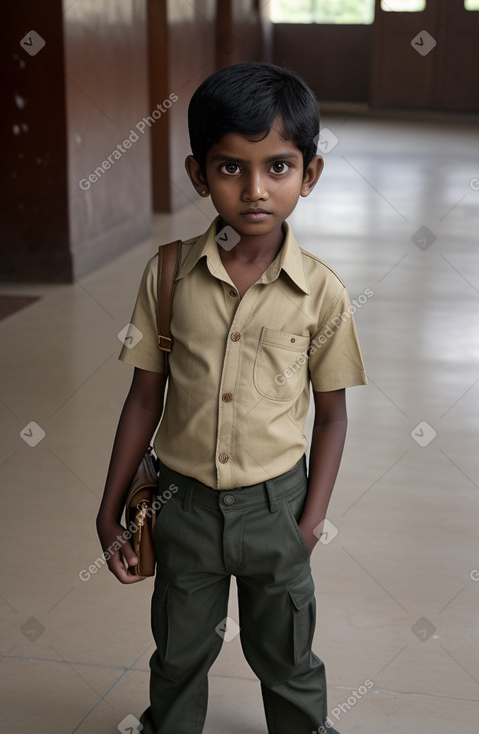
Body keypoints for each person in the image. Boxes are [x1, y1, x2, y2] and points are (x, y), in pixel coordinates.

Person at [96, 61, 367, 734]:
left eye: (277, 168)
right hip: (180, 505)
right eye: (229, 168)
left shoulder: (323, 294)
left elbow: (331, 416)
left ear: (309, 175)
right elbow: (142, 401)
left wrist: (308, 522)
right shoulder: (166, 275)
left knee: (286, 655)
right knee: (180, 651)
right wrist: (109, 512)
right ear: (197, 174)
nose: (254, 189)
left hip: (277, 506)